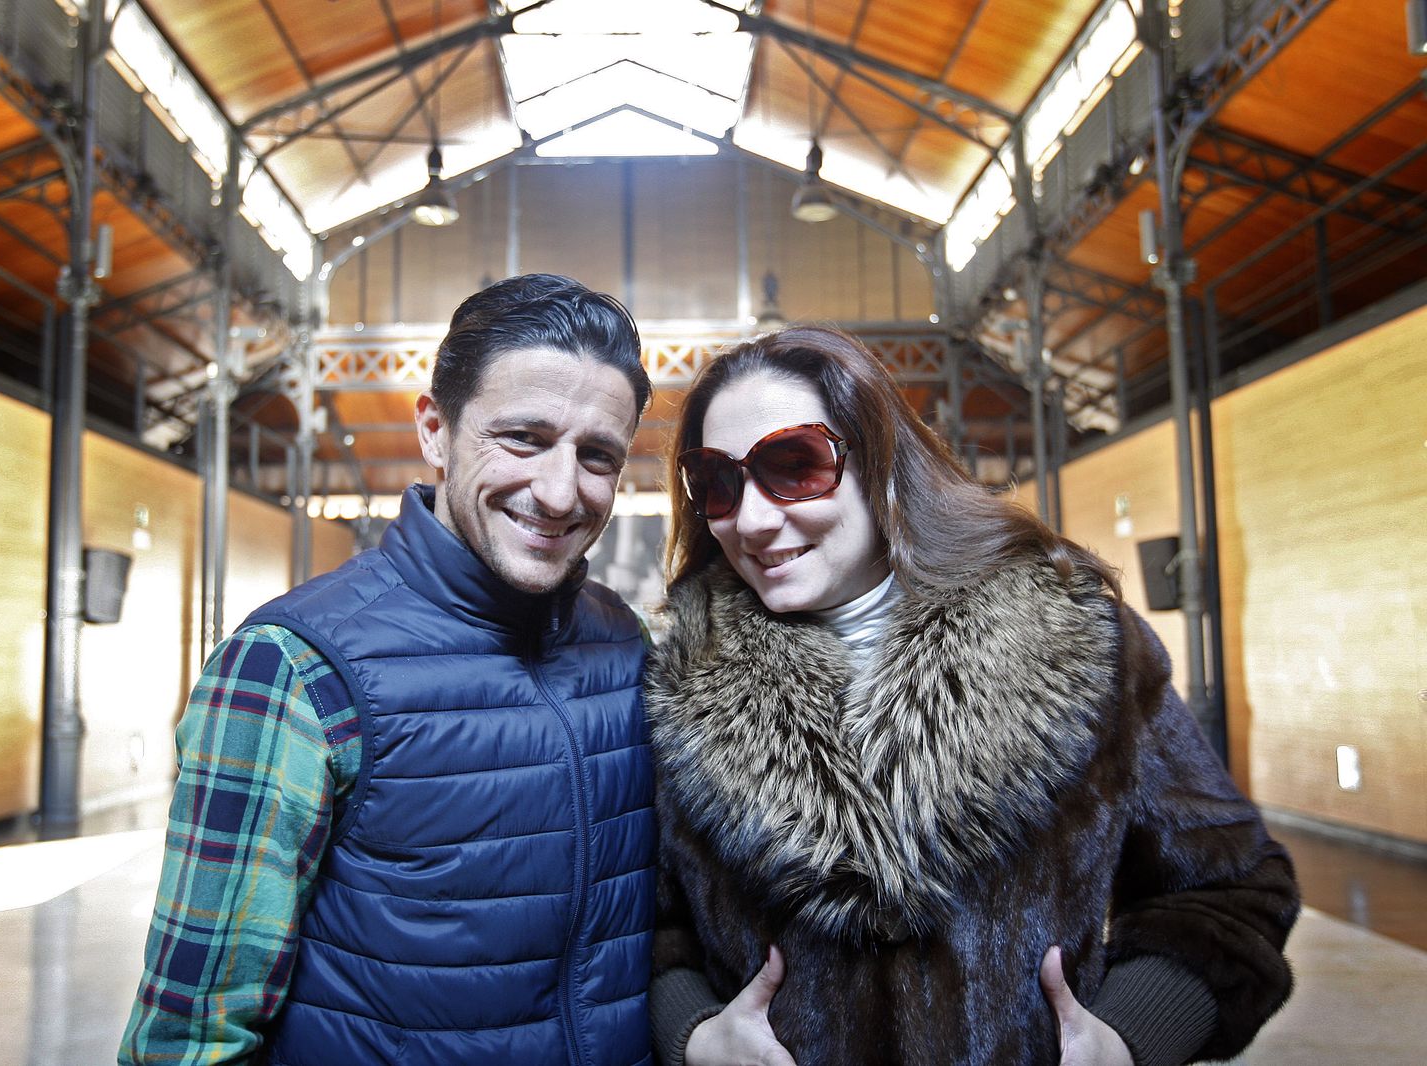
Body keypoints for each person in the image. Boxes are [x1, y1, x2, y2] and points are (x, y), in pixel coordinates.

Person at [645, 326, 1299, 1066]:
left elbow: (1234, 889)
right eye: (720, 484)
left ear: (880, 461)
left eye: (794, 466)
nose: (754, 519)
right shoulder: (677, 681)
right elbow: (646, 927)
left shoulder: (1080, 643)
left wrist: (1131, 1035)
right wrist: (693, 1030)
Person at [120, 274, 657, 1066]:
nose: (558, 490)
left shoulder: (622, 643)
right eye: (524, 439)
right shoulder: (293, 668)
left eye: (597, 456)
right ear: (436, 431)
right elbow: (191, 1038)